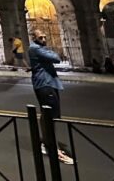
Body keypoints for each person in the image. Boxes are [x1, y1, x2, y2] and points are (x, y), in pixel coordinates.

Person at [28, 29, 73, 165]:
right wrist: (50, 51)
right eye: (41, 37)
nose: (44, 39)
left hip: (46, 83)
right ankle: (52, 148)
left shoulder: (38, 48)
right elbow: (56, 58)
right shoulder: (36, 49)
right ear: (34, 38)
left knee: (46, 114)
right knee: (50, 116)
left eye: (45, 37)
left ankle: (46, 143)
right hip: (45, 84)